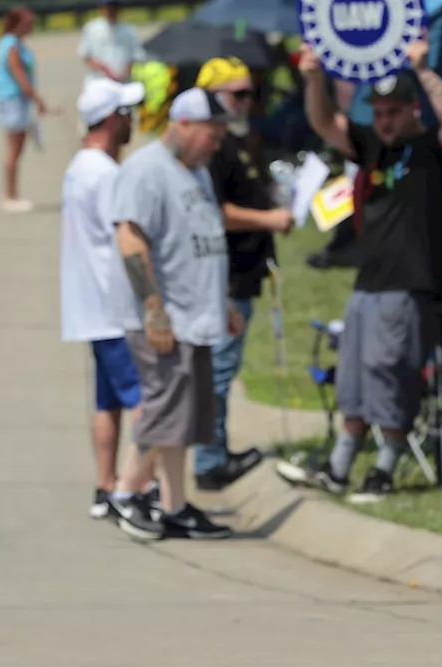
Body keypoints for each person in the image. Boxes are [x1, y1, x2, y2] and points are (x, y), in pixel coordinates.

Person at [298, 29, 442, 503]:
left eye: (393, 113)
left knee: (390, 373)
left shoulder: (435, 149)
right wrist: (314, 79)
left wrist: (422, 69)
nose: (385, 121)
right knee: (352, 376)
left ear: (412, 110)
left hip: (408, 284)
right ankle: (339, 466)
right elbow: (327, 123)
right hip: (367, 282)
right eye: (378, 113)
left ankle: (384, 470)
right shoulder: (374, 146)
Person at [107, 86, 244, 540]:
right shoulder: (146, 171)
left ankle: (174, 504)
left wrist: (220, 301)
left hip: (194, 315)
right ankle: (127, 494)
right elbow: (129, 238)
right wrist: (153, 309)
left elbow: (199, 237)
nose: (216, 143)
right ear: (182, 123)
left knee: (181, 419)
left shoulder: (196, 170)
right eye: (211, 133)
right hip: (163, 318)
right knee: (165, 411)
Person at [190, 57, 294, 491]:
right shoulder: (213, 148)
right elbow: (217, 213)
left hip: (246, 273)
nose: (247, 102)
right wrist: (269, 220)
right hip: (225, 276)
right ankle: (210, 461)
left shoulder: (240, 140)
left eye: (252, 93)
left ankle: (216, 451)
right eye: (238, 94)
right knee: (217, 370)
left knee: (223, 370)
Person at [59, 77, 160, 519]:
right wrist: (153, 302)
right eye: (126, 112)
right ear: (111, 119)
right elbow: (129, 239)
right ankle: (138, 486)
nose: (132, 120)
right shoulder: (108, 174)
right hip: (115, 307)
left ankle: (106, 485)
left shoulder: (79, 166)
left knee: (108, 401)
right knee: (144, 400)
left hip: (90, 308)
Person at [0, 5, 51, 212]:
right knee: (14, 148)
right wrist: (37, 99)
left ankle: (11, 194)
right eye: (27, 23)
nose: (31, 27)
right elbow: (18, 73)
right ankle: (9, 195)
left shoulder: (15, 43)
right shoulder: (11, 45)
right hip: (13, 100)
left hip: (17, 101)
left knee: (17, 147)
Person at [77, 1, 146, 85]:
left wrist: (126, 71)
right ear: (101, 9)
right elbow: (86, 54)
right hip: (98, 81)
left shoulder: (129, 30)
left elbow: (136, 55)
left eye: (114, 7)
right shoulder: (92, 28)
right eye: (108, 7)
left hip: (123, 82)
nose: (111, 10)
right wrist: (103, 70)